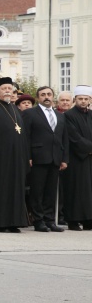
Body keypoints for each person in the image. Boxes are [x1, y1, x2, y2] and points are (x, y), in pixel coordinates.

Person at [0, 77, 29, 233]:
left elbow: (23, 135)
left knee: (16, 190)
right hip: (0, 158)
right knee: (0, 189)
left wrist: (25, 157)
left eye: (10, 89)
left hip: (17, 158)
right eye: (4, 89)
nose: (7, 91)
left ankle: (14, 222)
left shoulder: (16, 110)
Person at [22, 86, 67, 232]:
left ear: (53, 96)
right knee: (37, 191)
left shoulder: (59, 115)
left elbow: (64, 138)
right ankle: (38, 220)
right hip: (38, 157)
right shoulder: (30, 113)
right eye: (43, 95)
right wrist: (27, 156)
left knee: (51, 192)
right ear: (38, 98)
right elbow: (26, 136)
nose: (46, 97)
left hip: (55, 158)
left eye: (49, 94)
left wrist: (64, 158)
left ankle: (49, 220)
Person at [62, 86, 92, 231]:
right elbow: (74, 138)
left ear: (90, 100)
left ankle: (88, 219)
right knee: (76, 189)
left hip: (89, 159)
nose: (83, 101)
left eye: (86, 99)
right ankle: (73, 220)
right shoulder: (68, 115)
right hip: (76, 159)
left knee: (89, 190)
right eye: (80, 99)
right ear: (75, 100)